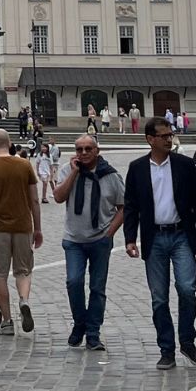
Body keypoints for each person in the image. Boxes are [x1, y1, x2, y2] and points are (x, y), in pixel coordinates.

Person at [123, 118, 196, 370]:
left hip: (182, 235)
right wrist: (130, 238)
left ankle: (187, 341)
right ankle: (166, 349)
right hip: (154, 238)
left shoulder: (184, 165)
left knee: (186, 289)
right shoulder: (137, 168)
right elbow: (131, 206)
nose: (169, 140)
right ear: (150, 139)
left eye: (171, 135)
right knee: (159, 297)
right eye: (163, 136)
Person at [54, 134, 124, 350]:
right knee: (73, 282)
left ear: (97, 151)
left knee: (97, 287)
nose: (83, 153)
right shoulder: (68, 170)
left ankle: (93, 333)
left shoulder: (111, 176)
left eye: (87, 149)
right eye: (79, 149)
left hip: (100, 240)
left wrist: (109, 233)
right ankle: (79, 323)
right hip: (73, 240)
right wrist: (74, 172)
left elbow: (124, 206)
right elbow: (58, 196)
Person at [0, 128, 42, 336]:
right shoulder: (24, 165)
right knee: (23, 270)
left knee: (0, 274)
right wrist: (38, 228)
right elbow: (34, 199)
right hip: (23, 226)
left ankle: (7, 321)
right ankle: (24, 300)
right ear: (10, 142)